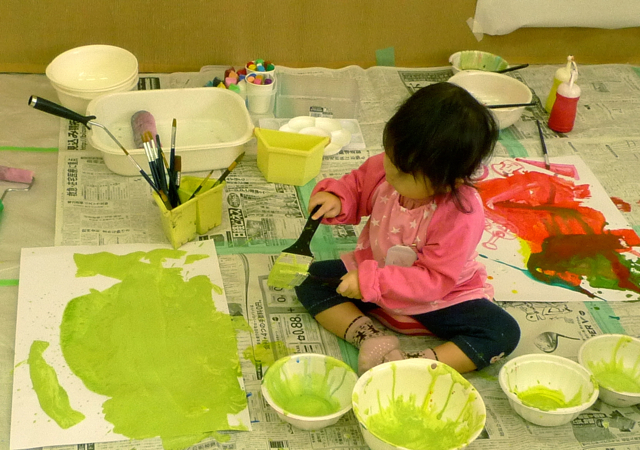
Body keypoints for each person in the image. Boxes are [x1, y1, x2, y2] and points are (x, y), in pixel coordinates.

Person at [294, 82, 521, 375]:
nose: (389, 172)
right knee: (308, 279)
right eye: (390, 157)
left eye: (403, 173)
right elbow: (358, 185)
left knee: (502, 333)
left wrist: (372, 282)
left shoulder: (460, 214)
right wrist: (338, 198)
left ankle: (412, 364)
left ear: (449, 182)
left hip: (441, 300)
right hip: (375, 275)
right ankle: (370, 336)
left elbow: (434, 280)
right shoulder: (391, 165)